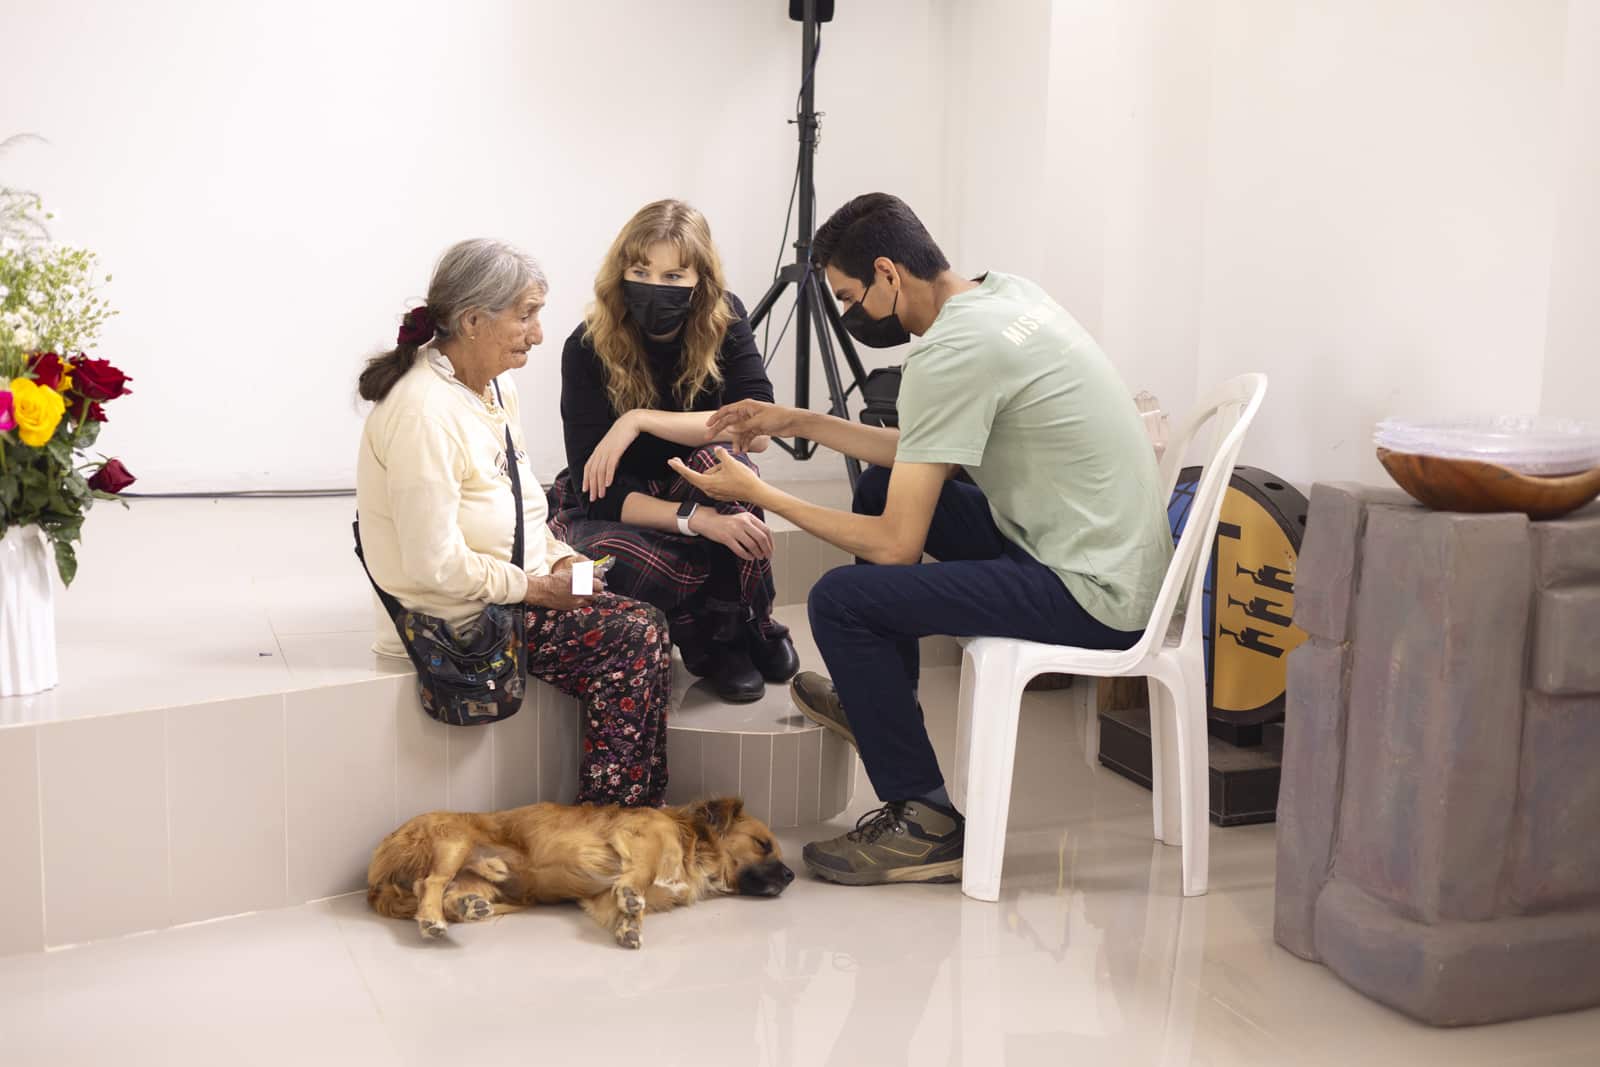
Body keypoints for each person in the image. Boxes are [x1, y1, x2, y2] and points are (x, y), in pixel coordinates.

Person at [671, 193, 1173, 884]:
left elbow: (895, 547)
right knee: (882, 486)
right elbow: (925, 448)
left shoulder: (950, 353)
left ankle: (925, 820)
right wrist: (799, 421)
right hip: (1101, 550)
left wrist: (759, 494)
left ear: (888, 273)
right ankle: (882, 702)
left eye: (849, 298)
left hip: (1094, 592)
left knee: (841, 600)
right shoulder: (1005, 296)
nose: (850, 315)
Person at [356, 238, 671, 807]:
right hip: (455, 617)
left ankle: (639, 816)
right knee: (636, 633)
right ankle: (610, 823)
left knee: (639, 604)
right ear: (473, 321)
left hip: (511, 590)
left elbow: (521, 505)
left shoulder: (496, 386)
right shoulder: (423, 412)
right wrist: (538, 588)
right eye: (525, 316)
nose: (538, 334)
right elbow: (433, 565)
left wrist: (562, 558)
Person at [548, 199, 799, 704]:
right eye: (640, 272)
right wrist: (697, 520)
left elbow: (759, 431)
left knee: (725, 467)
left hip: (696, 478)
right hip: (626, 504)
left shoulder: (725, 318)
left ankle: (733, 630)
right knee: (601, 563)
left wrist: (638, 419)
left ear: (700, 279)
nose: (654, 287)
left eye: (673, 275)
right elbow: (601, 496)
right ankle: (715, 628)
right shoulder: (586, 347)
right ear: (620, 272)